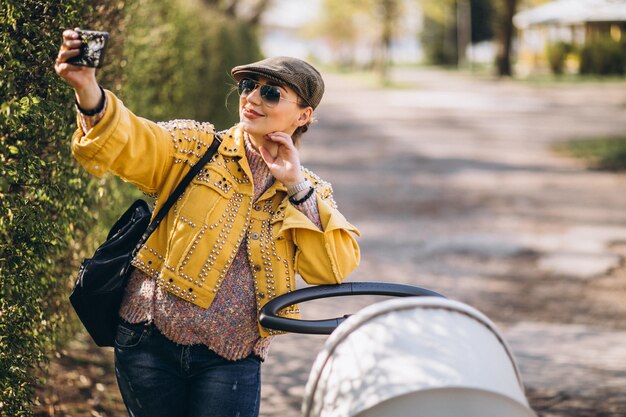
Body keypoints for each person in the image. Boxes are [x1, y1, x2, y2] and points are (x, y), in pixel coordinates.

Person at [55, 28, 360, 417]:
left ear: (304, 115)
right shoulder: (195, 146)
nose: (251, 98)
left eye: (271, 93)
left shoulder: (308, 190)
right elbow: (133, 141)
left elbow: (334, 267)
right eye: (249, 86)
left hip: (233, 357)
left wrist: (296, 186)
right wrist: (88, 91)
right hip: (148, 342)